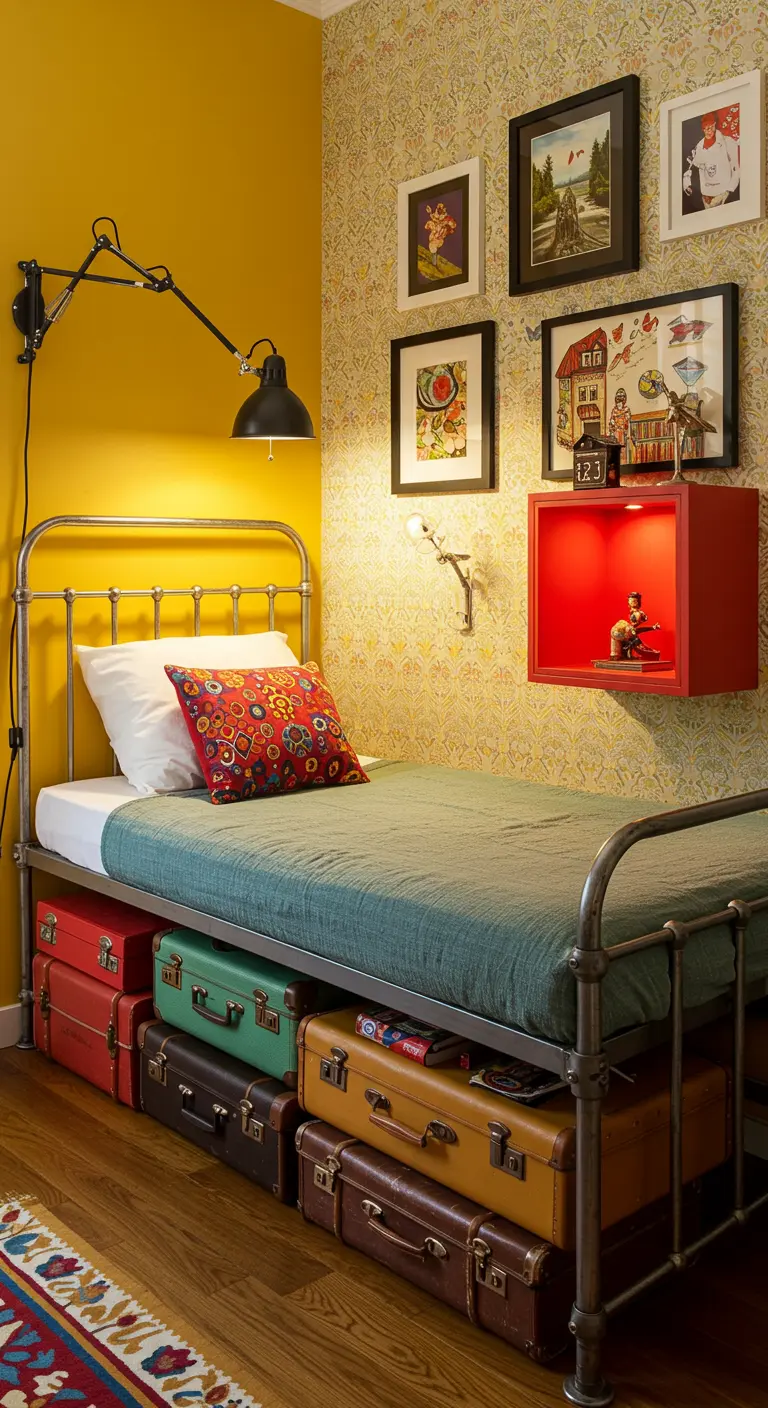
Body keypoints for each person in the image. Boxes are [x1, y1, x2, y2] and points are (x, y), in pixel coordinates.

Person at [683, 111, 740, 208]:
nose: (708, 131)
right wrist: (687, 184)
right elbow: (690, 169)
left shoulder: (728, 143)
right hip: (706, 197)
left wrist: (729, 191)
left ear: (714, 125)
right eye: (705, 128)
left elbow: (736, 169)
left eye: (710, 127)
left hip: (724, 193)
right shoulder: (698, 147)